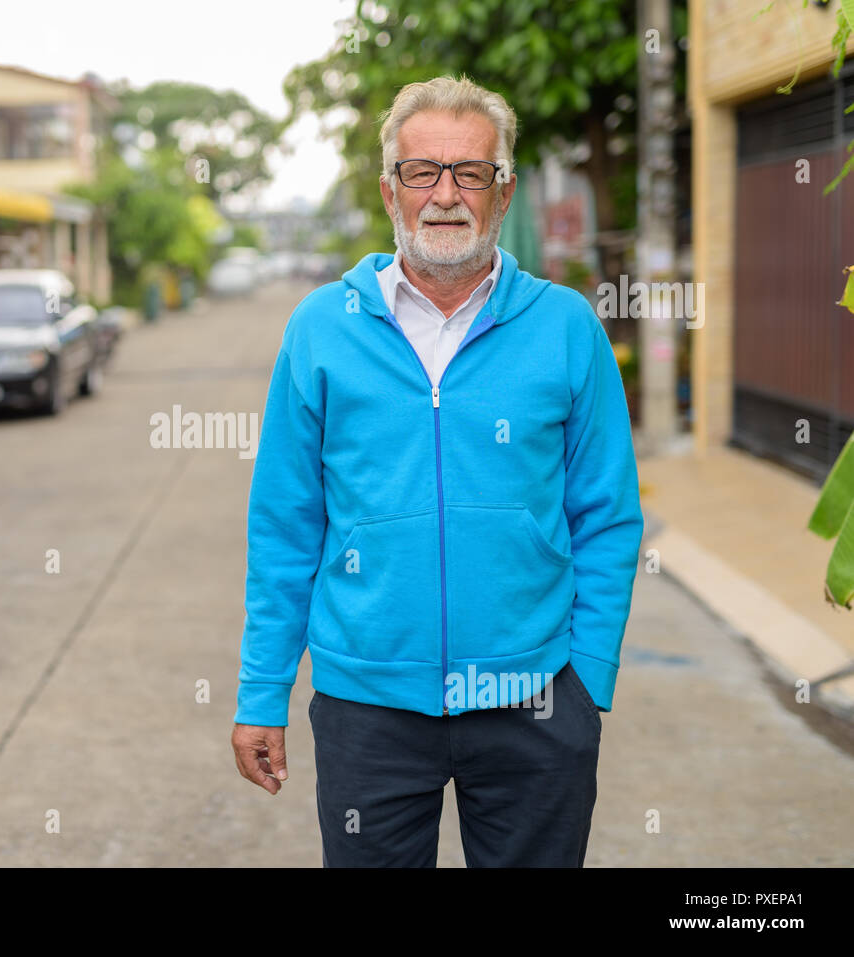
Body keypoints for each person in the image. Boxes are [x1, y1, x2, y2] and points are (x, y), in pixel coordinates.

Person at [230, 75, 644, 867]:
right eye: (423, 172)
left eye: (471, 173)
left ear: (503, 191)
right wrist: (261, 692)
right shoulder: (322, 328)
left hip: (534, 698)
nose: (446, 195)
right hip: (366, 706)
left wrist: (587, 678)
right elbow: (285, 527)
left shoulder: (566, 327)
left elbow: (607, 514)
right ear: (391, 190)